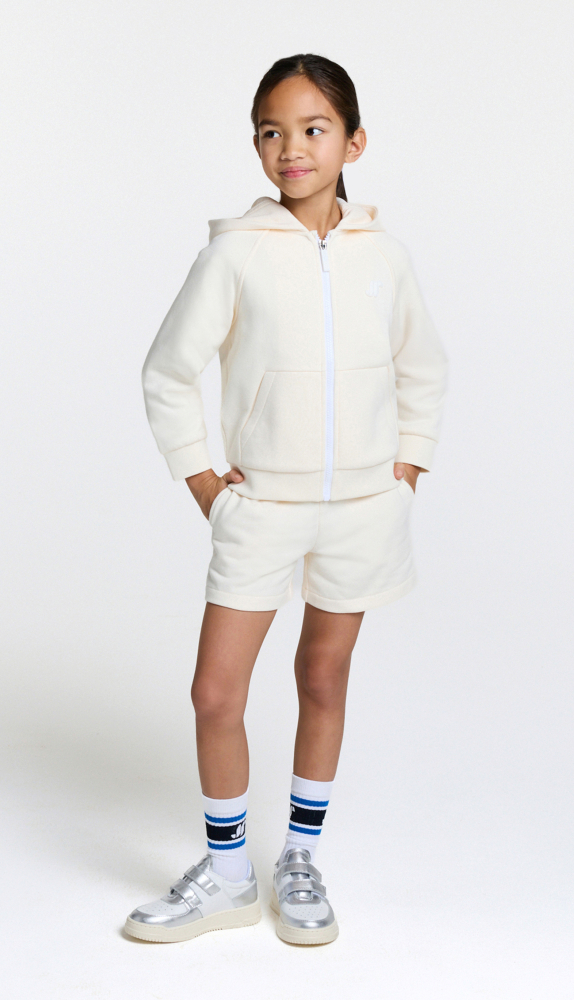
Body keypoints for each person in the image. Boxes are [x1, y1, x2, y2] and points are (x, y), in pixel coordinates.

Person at [125, 53, 448, 946]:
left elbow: (424, 368)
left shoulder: (384, 256)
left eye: (314, 129)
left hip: (364, 511)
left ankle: (300, 856)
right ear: (257, 145)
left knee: (323, 676)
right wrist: (203, 480)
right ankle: (229, 874)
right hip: (261, 506)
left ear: (354, 141)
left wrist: (407, 469)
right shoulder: (235, 252)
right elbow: (168, 372)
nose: (292, 148)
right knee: (215, 692)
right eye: (272, 131)